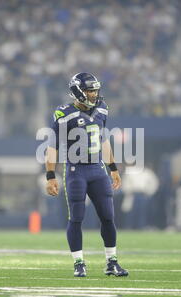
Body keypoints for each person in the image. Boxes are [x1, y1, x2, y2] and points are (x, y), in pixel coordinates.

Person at [44, 73, 128, 278]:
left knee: (108, 217)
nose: (94, 94)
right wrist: (50, 175)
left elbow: (104, 139)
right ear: (78, 92)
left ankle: (112, 262)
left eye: (95, 90)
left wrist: (113, 168)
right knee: (77, 218)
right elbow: (52, 146)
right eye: (90, 90)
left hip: (98, 170)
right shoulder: (65, 114)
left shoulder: (102, 109)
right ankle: (79, 263)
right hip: (76, 171)